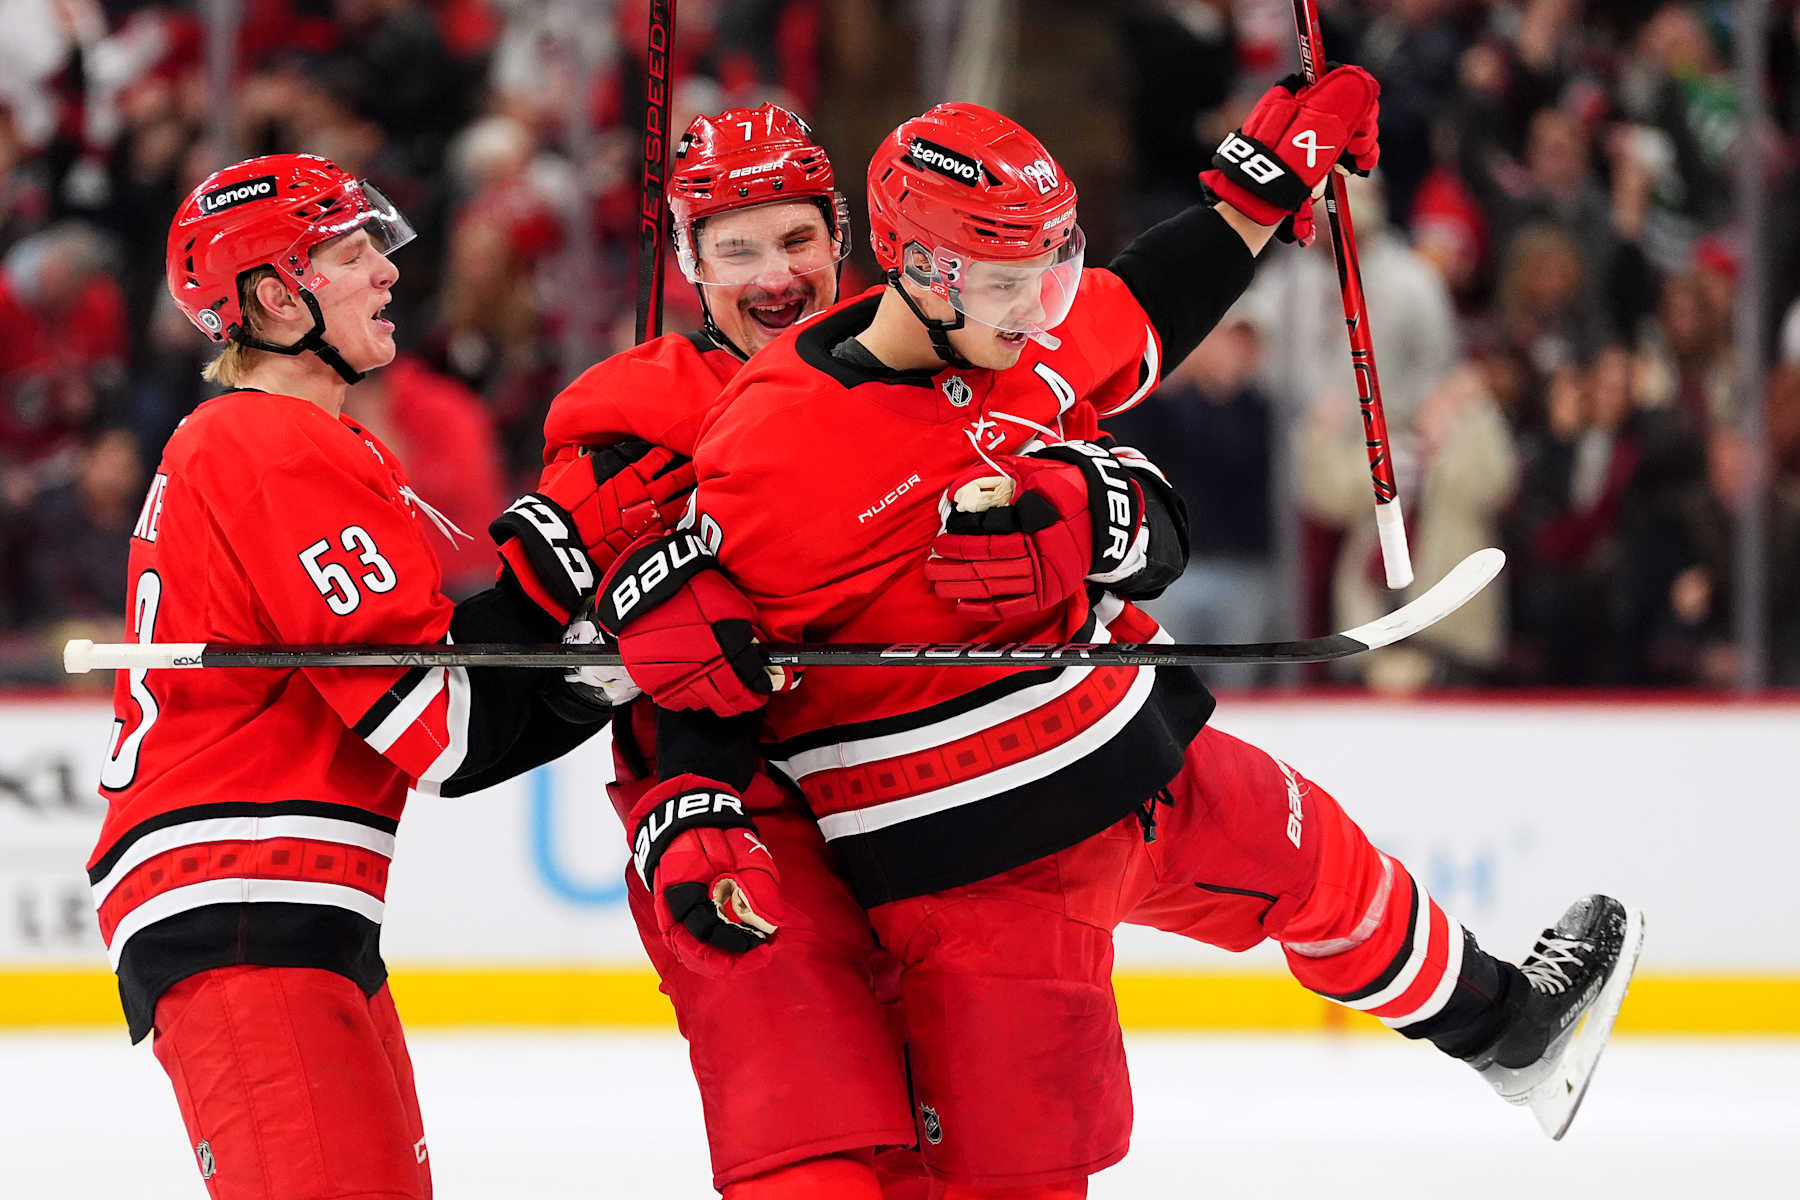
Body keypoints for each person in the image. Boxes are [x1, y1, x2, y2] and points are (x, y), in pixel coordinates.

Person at [596, 72, 1645, 1198]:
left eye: (1049, 269)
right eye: (1010, 282)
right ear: (923, 268)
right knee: (1022, 1170)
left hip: (1146, 764)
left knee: (1323, 864)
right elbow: (703, 674)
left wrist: (1267, 178)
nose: (1036, 309)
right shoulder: (772, 450)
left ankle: (1508, 1029)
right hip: (980, 871)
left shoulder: (1009, 328)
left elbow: (1143, 300)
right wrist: (692, 802)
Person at [89, 153, 677, 1199]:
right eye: (355, 255)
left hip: (280, 904)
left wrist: (599, 661)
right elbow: (445, 729)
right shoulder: (272, 442)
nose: (389, 274)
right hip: (243, 902)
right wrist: (563, 572)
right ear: (277, 293)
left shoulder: (265, 441)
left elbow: (452, 729)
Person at [540, 103, 927, 1200]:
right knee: (809, 1150)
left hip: (928, 815)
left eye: (797, 241)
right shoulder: (628, 420)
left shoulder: (929, 365)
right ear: (688, 263)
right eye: (737, 249)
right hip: (737, 828)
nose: (774, 276)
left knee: (963, 1158)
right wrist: (600, 616)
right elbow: (535, 640)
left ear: (842, 239)